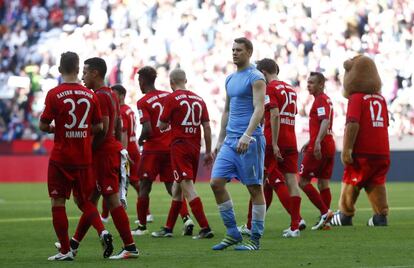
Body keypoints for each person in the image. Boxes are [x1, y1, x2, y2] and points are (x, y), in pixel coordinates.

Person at [40, 52, 112, 261]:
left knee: (58, 202)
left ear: (60, 69)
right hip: (83, 158)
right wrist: (81, 132)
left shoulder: (54, 94)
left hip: (61, 157)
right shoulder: (91, 95)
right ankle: (103, 231)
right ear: (78, 70)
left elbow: (43, 125)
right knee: (84, 202)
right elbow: (98, 126)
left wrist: (56, 128)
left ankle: (65, 250)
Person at [71, 57, 139, 259]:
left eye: (85, 72)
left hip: (103, 154)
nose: (82, 76)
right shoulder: (109, 93)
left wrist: (90, 150)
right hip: (110, 150)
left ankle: (130, 247)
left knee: (111, 199)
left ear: (95, 73)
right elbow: (117, 124)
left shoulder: (99, 96)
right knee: (90, 199)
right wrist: (118, 146)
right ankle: (73, 245)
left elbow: (103, 128)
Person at [210, 37, 266, 251]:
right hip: (230, 140)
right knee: (216, 183)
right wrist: (220, 138)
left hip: (249, 140)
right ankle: (233, 232)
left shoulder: (256, 77)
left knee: (254, 188)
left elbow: (259, 109)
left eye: (239, 50)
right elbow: (227, 110)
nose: (234, 53)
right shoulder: (230, 79)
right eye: (233, 49)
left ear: (249, 52)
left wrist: (247, 135)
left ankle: (255, 240)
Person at [239, 58, 305, 238]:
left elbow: (274, 114)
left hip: (273, 141)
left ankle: (255, 224)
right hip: (291, 139)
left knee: (261, 182)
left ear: (264, 73)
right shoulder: (291, 89)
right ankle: (294, 226)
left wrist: (274, 143)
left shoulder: (271, 88)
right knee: (289, 181)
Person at [151, 68, 214, 239]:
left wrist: (167, 122)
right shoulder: (199, 99)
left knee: (187, 187)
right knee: (176, 188)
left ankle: (205, 227)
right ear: (185, 81)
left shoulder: (171, 98)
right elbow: (207, 127)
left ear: (171, 83)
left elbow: (161, 125)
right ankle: (168, 228)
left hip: (179, 147)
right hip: (195, 148)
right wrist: (208, 151)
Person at [133, 66, 194, 236]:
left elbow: (147, 128)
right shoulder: (168, 95)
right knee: (172, 187)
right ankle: (186, 218)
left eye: (139, 80)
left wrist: (141, 139)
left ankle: (142, 226)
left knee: (144, 186)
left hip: (152, 150)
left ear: (142, 81)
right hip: (170, 148)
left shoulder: (143, 102)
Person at [331, 55, 390, 227]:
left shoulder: (356, 98)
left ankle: (345, 214)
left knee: (351, 179)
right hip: (382, 152)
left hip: (363, 151)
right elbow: (384, 124)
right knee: (376, 181)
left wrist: (347, 149)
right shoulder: (381, 99)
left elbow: (353, 124)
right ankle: (380, 216)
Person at [100, 84, 145, 223]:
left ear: (121, 95)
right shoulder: (129, 110)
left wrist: (123, 152)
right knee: (134, 182)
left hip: (126, 149)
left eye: (114, 94)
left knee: (112, 183)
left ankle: (105, 216)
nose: (112, 97)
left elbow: (123, 132)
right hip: (133, 148)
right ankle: (146, 213)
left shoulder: (122, 111)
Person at [298, 72, 335, 230]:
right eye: (308, 82)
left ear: (321, 84)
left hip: (320, 146)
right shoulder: (325, 99)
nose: (308, 85)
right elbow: (323, 123)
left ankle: (325, 212)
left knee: (302, 181)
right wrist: (311, 140)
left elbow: (325, 120)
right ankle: (325, 221)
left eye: (312, 82)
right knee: (323, 182)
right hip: (328, 144)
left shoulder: (320, 100)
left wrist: (317, 141)